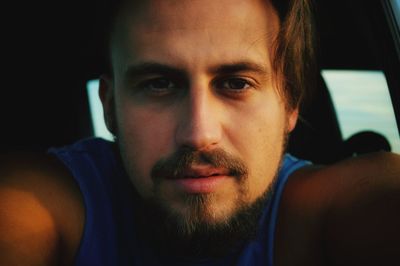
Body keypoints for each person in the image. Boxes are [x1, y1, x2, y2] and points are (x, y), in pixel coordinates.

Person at [1, 0, 399, 265]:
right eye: (159, 84)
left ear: (290, 104)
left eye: (236, 83)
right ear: (109, 106)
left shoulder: (328, 209)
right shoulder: (54, 201)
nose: (198, 133)